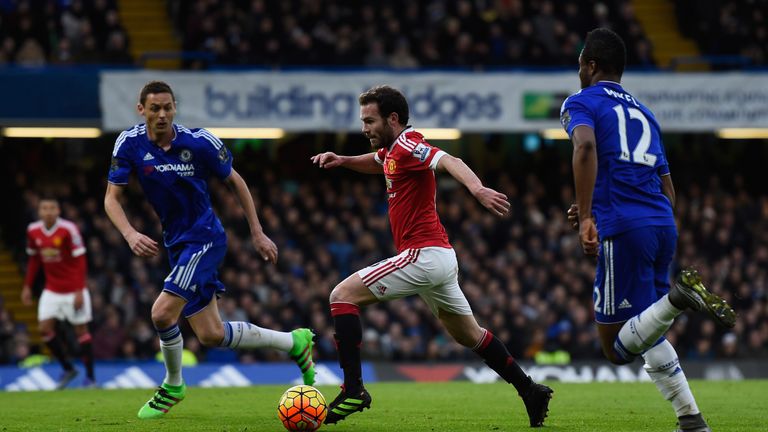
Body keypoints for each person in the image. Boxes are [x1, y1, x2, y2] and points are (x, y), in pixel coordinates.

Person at [311, 85, 553, 427]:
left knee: (341, 296)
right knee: (470, 335)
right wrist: (343, 160)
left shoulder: (409, 144)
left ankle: (353, 389)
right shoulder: (393, 150)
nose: (364, 128)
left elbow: (449, 160)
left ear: (393, 119)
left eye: (369, 120)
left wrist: (477, 188)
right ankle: (530, 390)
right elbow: (378, 162)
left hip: (422, 256)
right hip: (439, 259)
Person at [104, 81, 316, 419]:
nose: (162, 114)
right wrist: (129, 234)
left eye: (168, 107)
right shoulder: (129, 143)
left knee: (161, 314)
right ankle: (294, 342)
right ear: (141, 109)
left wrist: (257, 233)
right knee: (211, 335)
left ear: (175, 108)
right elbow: (111, 199)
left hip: (205, 238)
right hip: (177, 243)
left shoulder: (199, 142)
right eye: (155, 108)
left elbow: (236, 182)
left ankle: (173, 385)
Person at [561, 28, 736, 432]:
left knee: (617, 349)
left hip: (623, 230)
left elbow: (584, 148)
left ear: (591, 65)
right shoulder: (645, 112)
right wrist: (606, 209)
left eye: (580, 63)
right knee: (648, 329)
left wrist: (588, 217)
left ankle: (678, 298)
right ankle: (690, 418)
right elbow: (667, 187)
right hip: (661, 223)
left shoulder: (581, 102)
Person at [22, 196, 96, 389]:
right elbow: (34, 260)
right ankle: (68, 368)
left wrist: (80, 290)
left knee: (81, 331)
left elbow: (80, 260)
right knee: (44, 329)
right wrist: (27, 286)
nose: (48, 212)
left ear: (58, 211)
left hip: (73, 289)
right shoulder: (33, 230)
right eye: (44, 208)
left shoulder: (68, 229)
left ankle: (90, 378)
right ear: (39, 211)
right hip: (52, 289)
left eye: (51, 208)